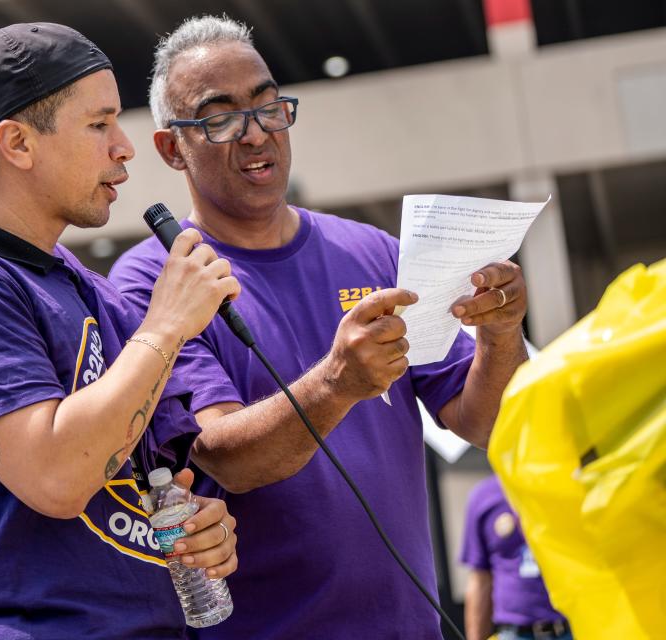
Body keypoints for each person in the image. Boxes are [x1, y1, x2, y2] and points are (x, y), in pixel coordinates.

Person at [109, 15, 530, 639]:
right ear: (174, 149)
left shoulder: (373, 252)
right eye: (220, 117)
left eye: (269, 106)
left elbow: (487, 423)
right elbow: (225, 458)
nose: (256, 136)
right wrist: (337, 382)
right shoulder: (156, 281)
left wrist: (501, 334)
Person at [0, 23, 243, 639]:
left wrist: (201, 519)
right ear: (18, 143)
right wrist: (166, 325)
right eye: (99, 123)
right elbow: (56, 479)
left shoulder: (81, 282)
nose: (124, 146)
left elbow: (144, 478)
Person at [460, 475, 573, 640]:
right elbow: (480, 579)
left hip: (571, 628)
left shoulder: (566, 483)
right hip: (513, 633)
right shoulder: (484, 496)